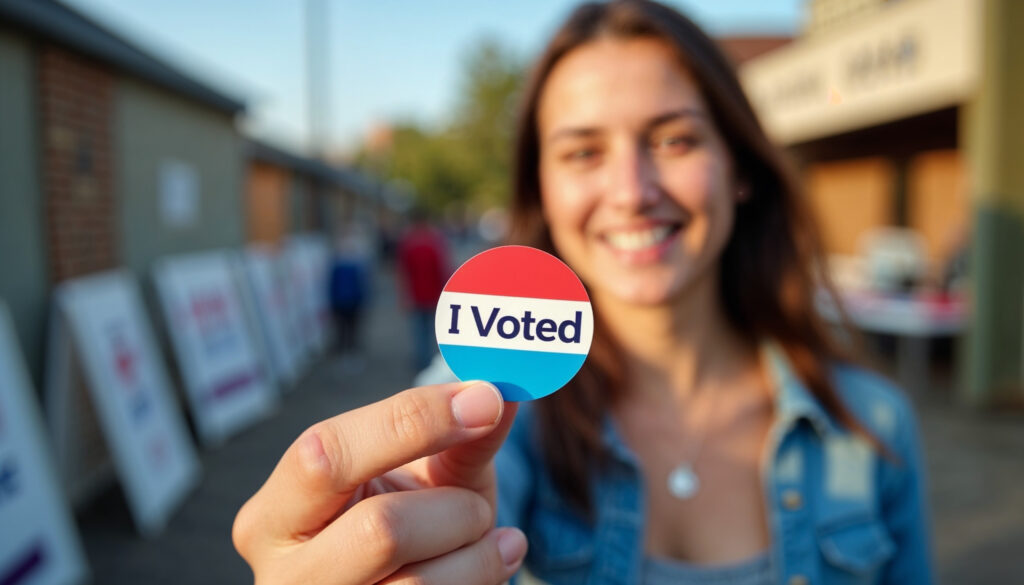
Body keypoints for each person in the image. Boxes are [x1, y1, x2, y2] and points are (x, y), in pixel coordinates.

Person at [232, 2, 934, 584]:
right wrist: (380, 535)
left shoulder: (873, 422)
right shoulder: (498, 396)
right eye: (583, 152)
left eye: (674, 139)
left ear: (739, 168)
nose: (631, 191)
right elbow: (434, 469)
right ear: (543, 189)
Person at [396, 208, 451, 372]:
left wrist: (403, 296)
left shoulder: (408, 243)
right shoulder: (435, 242)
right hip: (435, 295)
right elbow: (443, 269)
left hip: (416, 295)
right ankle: (431, 363)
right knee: (435, 331)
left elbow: (402, 272)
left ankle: (422, 362)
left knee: (419, 332)